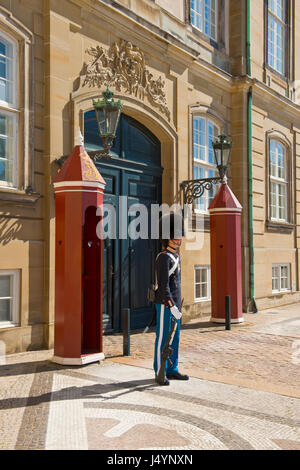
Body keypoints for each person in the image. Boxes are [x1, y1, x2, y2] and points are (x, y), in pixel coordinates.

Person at [153, 213, 189, 386]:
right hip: (165, 304)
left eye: (179, 234)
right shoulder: (163, 257)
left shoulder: (177, 257)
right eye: (175, 235)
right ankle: (159, 370)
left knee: (175, 338)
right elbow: (164, 284)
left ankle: (172, 368)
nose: (178, 238)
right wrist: (170, 304)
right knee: (163, 338)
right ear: (167, 238)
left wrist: (177, 305)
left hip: (175, 305)